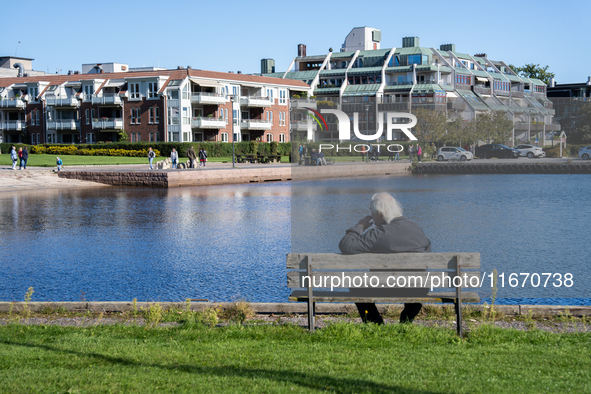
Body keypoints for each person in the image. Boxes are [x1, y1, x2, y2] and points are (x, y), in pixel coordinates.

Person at [339, 193, 431, 325]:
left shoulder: (377, 234)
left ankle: (375, 323)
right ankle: (406, 320)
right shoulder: (416, 227)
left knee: (355, 285)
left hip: (385, 286)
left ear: (379, 214)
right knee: (419, 281)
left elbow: (346, 246)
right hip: (417, 287)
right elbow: (428, 252)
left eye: (371, 211)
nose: (371, 214)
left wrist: (360, 226)